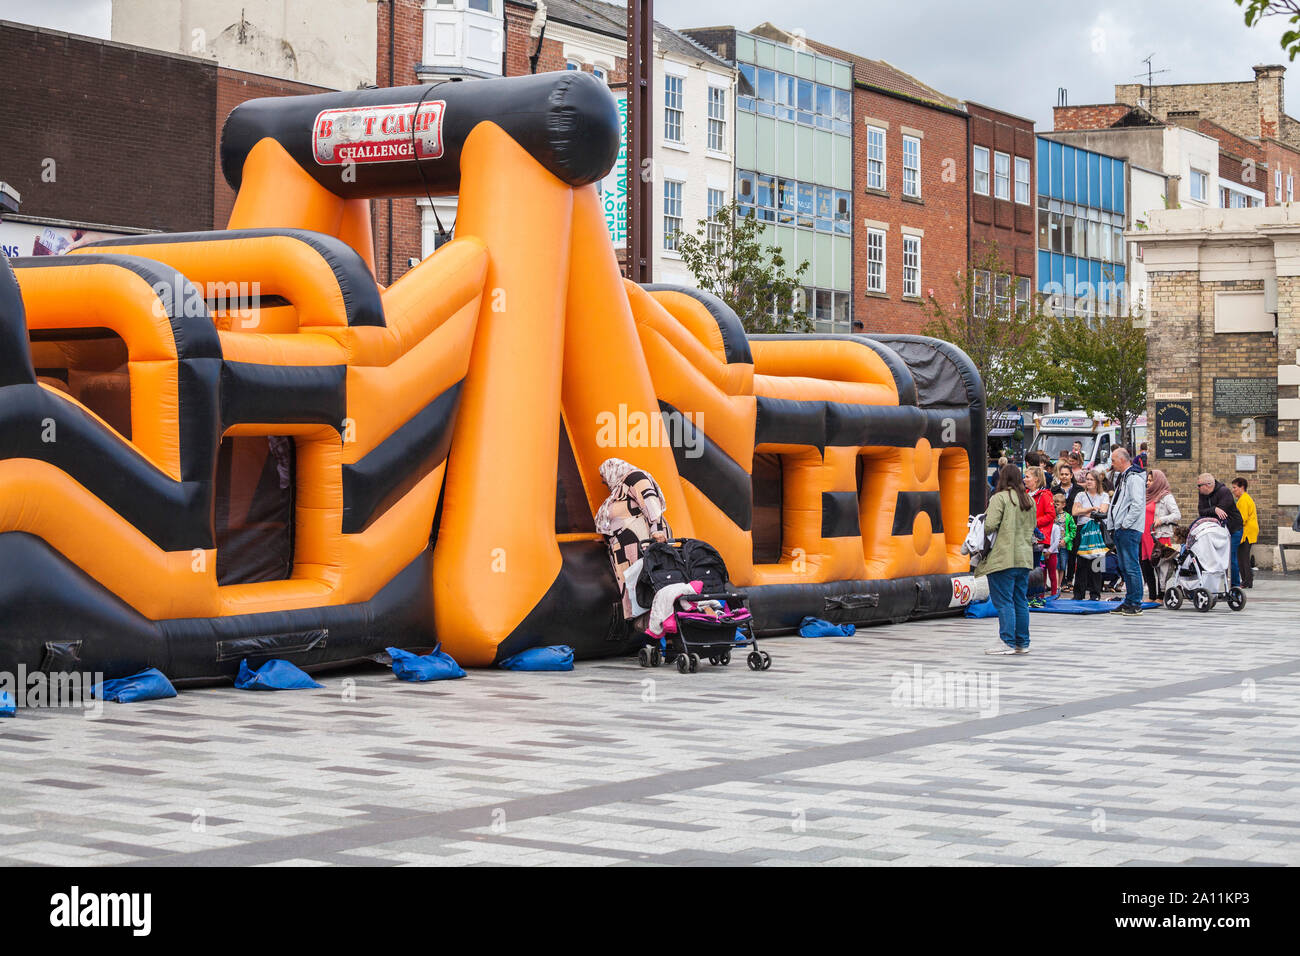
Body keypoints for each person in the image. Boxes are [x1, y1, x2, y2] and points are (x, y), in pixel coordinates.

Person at [595, 458, 670, 619]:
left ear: (612, 470)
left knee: (647, 584)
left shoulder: (634, 477)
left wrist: (656, 530)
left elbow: (649, 500)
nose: (604, 482)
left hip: (640, 543)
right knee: (634, 589)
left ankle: (662, 629)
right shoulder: (619, 488)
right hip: (626, 549)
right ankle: (648, 628)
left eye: (604, 477)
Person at [978, 464, 1036, 655]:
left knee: (1003, 601)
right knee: (1020, 600)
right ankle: (1022, 642)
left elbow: (989, 525)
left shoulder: (999, 498)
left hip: (1003, 558)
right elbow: (1033, 525)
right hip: (1024, 558)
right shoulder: (1029, 500)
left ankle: (1007, 641)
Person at [1106, 447, 1146, 615]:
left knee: (1131, 566)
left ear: (1122, 460)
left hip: (1129, 529)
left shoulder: (1134, 478)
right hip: (1122, 528)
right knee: (1124, 566)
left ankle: (1135, 603)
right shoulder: (1124, 477)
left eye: (1114, 460)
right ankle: (1129, 600)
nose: (1112, 464)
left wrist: (1125, 523)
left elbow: (1137, 504)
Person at [1197, 473, 1244, 587]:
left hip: (1233, 529)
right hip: (1217, 531)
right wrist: (1214, 509)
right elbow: (1201, 511)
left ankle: (1234, 586)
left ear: (1208, 485)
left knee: (1230, 557)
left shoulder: (1224, 492)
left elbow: (1221, 513)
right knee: (1215, 558)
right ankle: (1215, 585)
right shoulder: (1202, 493)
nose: (1198, 488)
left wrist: (1214, 510)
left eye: (1199, 485)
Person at [1072, 470, 1110, 601]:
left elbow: (1103, 511)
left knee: (1097, 563)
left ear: (1097, 482)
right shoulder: (1080, 495)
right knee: (1081, 563)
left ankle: (1095, 593)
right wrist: (1091, 509)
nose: (1088, 482)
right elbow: (1075, 511)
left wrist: (1086, 512)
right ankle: (1078, 594)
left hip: (1097, 530)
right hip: (1083, 530)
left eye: (1091, 479)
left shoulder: (1104, 495)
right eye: (1087, 479)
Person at [1143, 468, 1180, 600]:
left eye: (1151, 480)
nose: (1148, 483)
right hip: (1145, 536)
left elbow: (1177, 515)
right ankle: (1152, 595)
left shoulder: (1166, 497)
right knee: (1146, 565)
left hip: (1159, 536)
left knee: (1161, 566)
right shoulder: (1146, 496)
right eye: (1147, 480)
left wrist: (1162, 520)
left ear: (1158, 481)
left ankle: (1161, 594)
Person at [1052, 461, 1081, 588]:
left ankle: (1070, 579)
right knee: (1060, 554)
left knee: (1073, 552)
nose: (1064, 476)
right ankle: (1061, 581)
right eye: (1062, 474)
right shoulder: (1054, 490)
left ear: (1071, 475)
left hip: (1074, 522)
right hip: (1059, 524)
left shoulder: (1078, 489)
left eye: (1066, 474)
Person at [1231, 478, 1257, 588]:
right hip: (1248, 531)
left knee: (1242, 557)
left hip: (1246, 532)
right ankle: (1248, 581)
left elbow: (1242, 518)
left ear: (1242, 487)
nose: (1233, 490)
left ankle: (1246, 581)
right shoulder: (1244, 498)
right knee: (1242, 556)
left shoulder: (1243, 500)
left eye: (1234, 488)